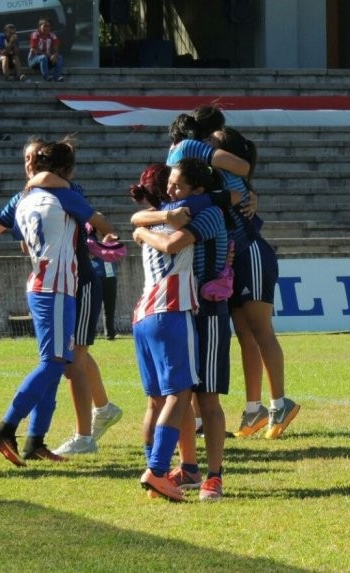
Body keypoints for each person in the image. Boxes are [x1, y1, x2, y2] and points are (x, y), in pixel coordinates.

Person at [0, 137, 124, 457]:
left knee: (60, 362)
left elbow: (23, 239)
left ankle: (35, 441)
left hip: (48, 283)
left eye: (33, 159)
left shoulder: (26, 199)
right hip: (58, 286)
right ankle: (7, 428)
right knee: (57, 363)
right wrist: (109, 238)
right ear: (63, 170)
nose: (29, 165)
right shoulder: (63, 196)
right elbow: (101, 223)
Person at [131, 158, 229, 502]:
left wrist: (142, 230)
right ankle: (159, 470)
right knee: (181, 395)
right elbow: (173, 244)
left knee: (170, 399)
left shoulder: (166, 218)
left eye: (178, 185)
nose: (172, 191)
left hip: (149, 312)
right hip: (173, 310)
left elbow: (138, 220)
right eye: (169, 184)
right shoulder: (176, 215)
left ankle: (189, 472)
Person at [209, 127, 301, 440]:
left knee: (261, 331)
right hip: (232, 261)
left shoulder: (226, 175)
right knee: (244, 336)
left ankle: (280, 404)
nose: (208, 143)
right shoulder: (220, 176)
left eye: (216, 141)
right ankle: (253, 409)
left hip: (251, 254)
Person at [88, 226, 120, 340]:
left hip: (110, 275)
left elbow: (118, 253)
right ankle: (89, 333)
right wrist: (104, 243)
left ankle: (110, 333)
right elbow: (92, 252)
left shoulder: (111, 239)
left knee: (110, 307)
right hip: (96, 274)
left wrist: (111, 243)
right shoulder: (90, 239)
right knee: (92, 306)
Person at [29, 17, 64, 82]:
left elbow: (56, 50)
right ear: (39, 27)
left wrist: (54, 55)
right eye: (45, 26)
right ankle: (47, 77)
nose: (47, 28)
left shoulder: (53, 35)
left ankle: (57, 77)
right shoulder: (35, 34)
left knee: (59, 57)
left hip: (47, 60)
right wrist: (49, 56)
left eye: (48, 26)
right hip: (34, 60)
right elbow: (35, 50)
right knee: (43, 57)